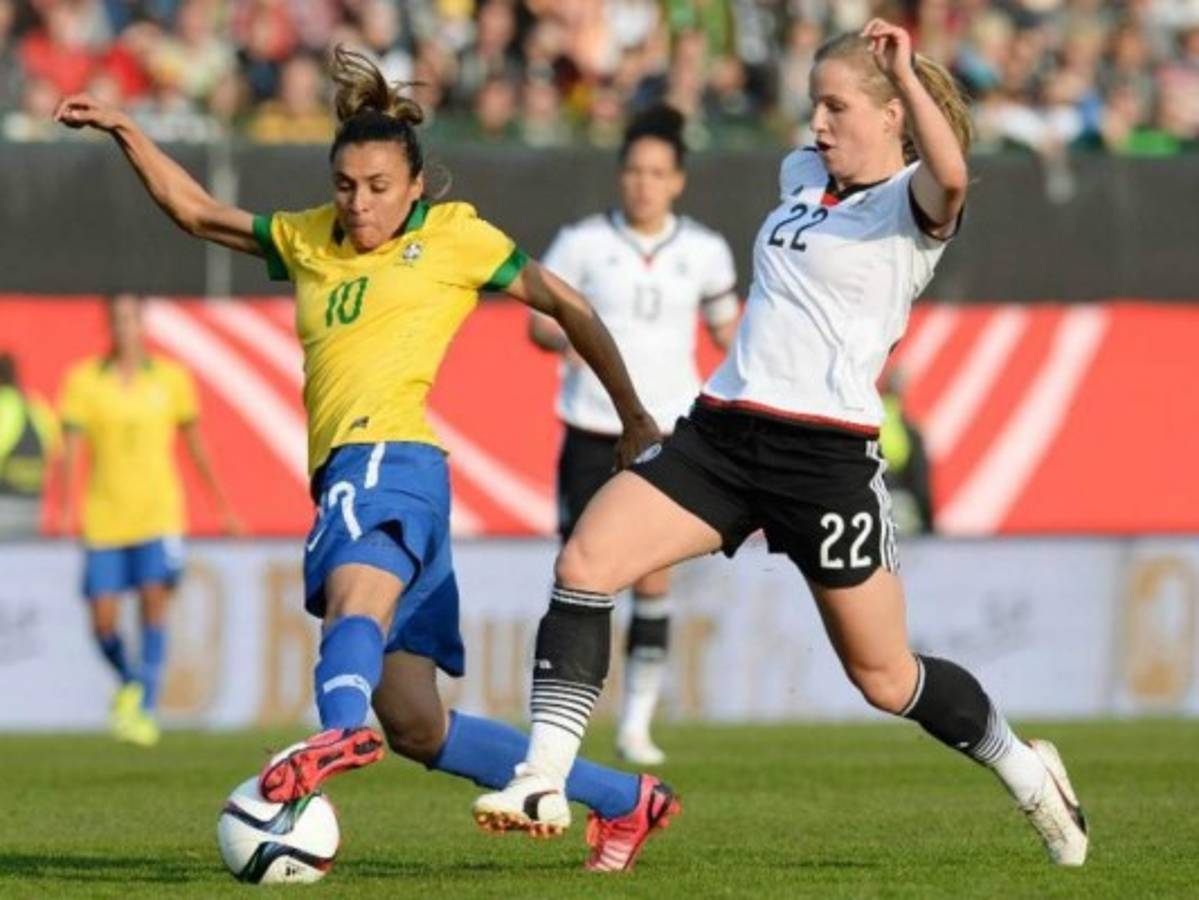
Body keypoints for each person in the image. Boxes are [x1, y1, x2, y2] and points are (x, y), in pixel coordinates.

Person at [477, 20, 1090, 869]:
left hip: (825, 460)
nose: (818, 125)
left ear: (891, 117)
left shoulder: (913, 205)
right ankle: (540, 776)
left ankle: (1026, 770)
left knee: (883, 680)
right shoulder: (802, 175)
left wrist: (905, 70)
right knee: (585, 563)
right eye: (813, 106)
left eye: (836, 108)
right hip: (721, 433)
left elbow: (952, 173)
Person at [55, 46, 675, 873]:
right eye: (346, 186)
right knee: (419, 724)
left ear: (415, 185)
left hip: (384, 459)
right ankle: (624, 801)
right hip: (388, 478)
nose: (359, 204)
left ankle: (336, 734)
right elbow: (200, 214)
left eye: (379, 187)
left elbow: (566, 301)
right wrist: (128, 128)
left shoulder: (456, 238)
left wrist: (630, 411)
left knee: (352, 600)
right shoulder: (311, 239)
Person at [529, 103, 738, 766]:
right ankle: (569, 720)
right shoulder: (583, 243)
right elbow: (538, 320)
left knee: (651, 578)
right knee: (582, 575)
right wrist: (556, 337)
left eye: (657, 172)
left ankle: (637, 724)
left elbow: (728, 332)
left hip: (667, 434)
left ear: (676, 181)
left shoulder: (704, 251)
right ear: (620, 177)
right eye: (634, 171)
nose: (643, 183)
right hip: (592, 426)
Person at [56, 294, 241, 747]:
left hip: (159, 514)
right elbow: (72, 451)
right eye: (116, 320)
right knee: (102, 622)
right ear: (109, 327)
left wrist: (222, 504)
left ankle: (145, 709)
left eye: (130, 319)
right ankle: (131, 681)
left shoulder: (171, 379)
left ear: (143, 325)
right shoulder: (84, 381)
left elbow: (195, 443)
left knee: (154, 604)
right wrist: (63, 505)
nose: (124, 328)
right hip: (104, 517)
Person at [0, 352, 58, 539]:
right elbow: (56, 448)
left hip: (5, 502)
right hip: (32, 506)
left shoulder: (4, 404)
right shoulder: (34, 404)